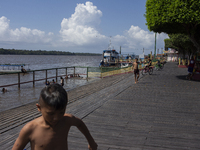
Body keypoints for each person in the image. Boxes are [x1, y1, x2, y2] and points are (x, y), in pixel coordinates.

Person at [12, 83, 98, 150]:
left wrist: (91, 141)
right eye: (51, 114)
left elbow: (79, 123)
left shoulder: (66, 121)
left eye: (61, 112)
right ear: (39, 108)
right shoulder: (30, 129)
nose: (56, 118)